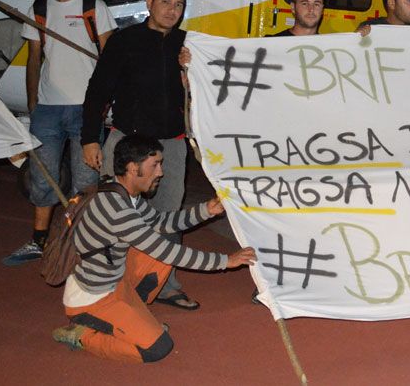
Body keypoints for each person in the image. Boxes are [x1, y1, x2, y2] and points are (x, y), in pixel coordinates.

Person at [49, 134, 256, 362]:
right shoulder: (116, 210)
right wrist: (227, 261)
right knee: (157, 348)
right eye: (154, 165)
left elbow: (161, 223)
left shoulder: (123, 193)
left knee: (163, 243)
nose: (161, 172)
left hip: (114, 280)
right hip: (92, 299)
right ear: (132, 168)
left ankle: (132, 313)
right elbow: (168, 252)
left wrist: (207, 210)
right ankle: (82, 334)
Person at [81, 0, 199, 309]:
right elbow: (98, 90)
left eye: (178, 5)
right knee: (113, 217)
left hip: (171, 145)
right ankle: (104, 283)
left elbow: (209, 92)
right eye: (165, 2)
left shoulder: (188, 45)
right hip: (127, 143)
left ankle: (165, 283)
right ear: (149, 3)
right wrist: (90, 138)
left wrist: (191, 77)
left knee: (169, 216)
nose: (171, 10)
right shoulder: (124, 41)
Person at [4, 0, 116, 266]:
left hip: (86, 109)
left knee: (85, 181)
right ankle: (39, 240)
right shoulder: (38, 8)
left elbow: (110, 57)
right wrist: (32, 103)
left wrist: (104, 103)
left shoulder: (94, 7)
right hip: (48, 109)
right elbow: (34, 57)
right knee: (43, 177)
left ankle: (83, 242)